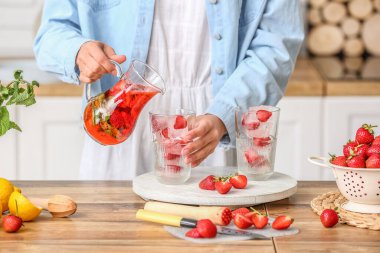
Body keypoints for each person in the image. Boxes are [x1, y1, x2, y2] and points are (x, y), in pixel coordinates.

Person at [34, 0, 304, 180]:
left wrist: (224, 115)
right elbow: (52, 32)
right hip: (119, 127)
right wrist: (77, 51)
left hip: (209, 131)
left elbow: (275, 47)